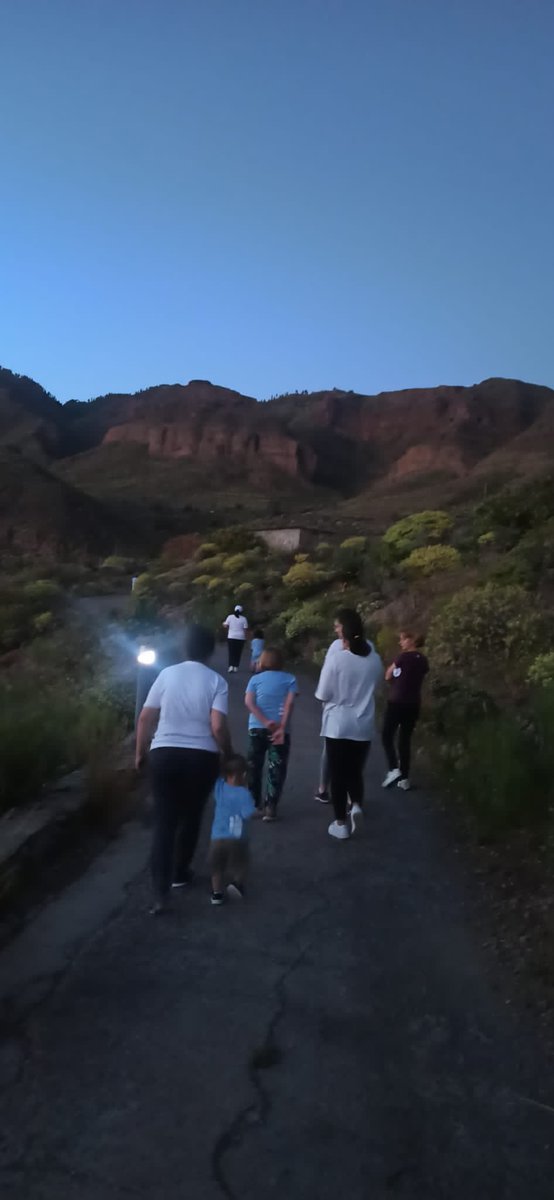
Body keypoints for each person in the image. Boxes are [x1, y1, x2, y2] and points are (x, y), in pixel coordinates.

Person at [135, 624, 232, 915]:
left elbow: (145, 717)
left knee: (164, 822)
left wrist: (140, 752)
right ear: (211, 651)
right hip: (201, 757)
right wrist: (228, 754)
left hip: (164, 753)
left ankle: (160, 893)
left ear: (183, 648)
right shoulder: (217, 682)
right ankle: (180, 872)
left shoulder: (167, 674)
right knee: (192, 815)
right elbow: (217, 726)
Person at [315, 611, 383, 840]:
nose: (335, 630)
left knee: (338, 773)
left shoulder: (337, 658)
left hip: (338, 724)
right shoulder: (374, 658)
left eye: (337, 627)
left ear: (344, 630)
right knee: (355, 771)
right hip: (363, 724)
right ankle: (356, 806)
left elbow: (323, 693)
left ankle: (340, 823)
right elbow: (378, 684)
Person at [245, 648, 298, 821]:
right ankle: (270, 807)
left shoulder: (255, 679)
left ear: (262, 662)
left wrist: (264, 720)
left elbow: (249, 702)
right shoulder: (290, 679)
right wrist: (281, 726)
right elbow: (289, 704)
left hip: (257, 728)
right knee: (276, 768)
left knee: (254, 766)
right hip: (280, 732)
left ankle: (254, 804)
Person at [382, 631, 429, 791]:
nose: (400, 643)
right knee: (405, 739)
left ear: (410, 640)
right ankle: (405, 778)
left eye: (402, 639)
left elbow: (388, 674)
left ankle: (394, 768)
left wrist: (393, 681)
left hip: (397, 702)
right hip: (413, 703)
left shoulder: (402, 658)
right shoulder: (423, 660)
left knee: (387, 735)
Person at [209, 754, 255, 906]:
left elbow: (217, 775)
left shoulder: (220, 787)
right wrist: (262, 812)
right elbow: (248, 814)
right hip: (237, 838)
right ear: (243, 775)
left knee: (217, 867)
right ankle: (237, 884)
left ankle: (217, 894)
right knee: (241, 863)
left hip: (217, 838)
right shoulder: (244, 794)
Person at [223, 605, 249, 673]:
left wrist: (223, 623)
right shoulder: (244, 619)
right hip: (240, 638)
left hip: (231, 636)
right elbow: (245, 629)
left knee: (231, 652)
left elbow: (225, 625)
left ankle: (231, 666)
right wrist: (246, 638)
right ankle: (236, 667)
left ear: (234, 610)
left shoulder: (230, 617)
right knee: (238, 652)